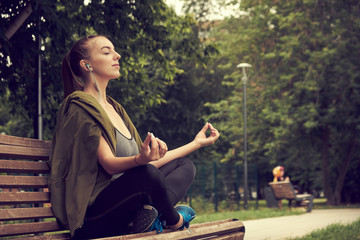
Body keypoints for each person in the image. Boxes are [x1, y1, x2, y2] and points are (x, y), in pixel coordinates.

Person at [48, 35, 220, 239]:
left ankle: (151, 217)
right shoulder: (81, 108)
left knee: (183, 165)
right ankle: (175, 221)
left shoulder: (115, 108)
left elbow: (147, 164)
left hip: (127, 204)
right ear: (86, 65)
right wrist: (141, 160)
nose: (117, 55)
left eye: (114, 50)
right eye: (106, 51)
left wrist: (196, 143)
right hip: (95, 217)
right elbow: (111, 165)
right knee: (147, 174)